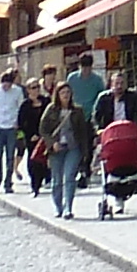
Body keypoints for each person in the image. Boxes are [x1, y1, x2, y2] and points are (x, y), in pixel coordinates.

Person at [94, 101, 137, 217]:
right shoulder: (105, 99)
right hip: (130, 164)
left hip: (117, 164)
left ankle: (111, 204)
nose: (119, 85)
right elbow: (97, 116)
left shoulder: (132, 98)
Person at [49, 80, 88, 218]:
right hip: (57, 149)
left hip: (73, 147)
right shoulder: (51, 110)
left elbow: (83, 132)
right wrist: (52, 142)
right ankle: (58, 207)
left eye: (68, 92)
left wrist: (85, 152)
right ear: (57, 95)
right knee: (57, 180)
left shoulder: (77, 110)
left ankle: (68, 208)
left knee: (70, 177)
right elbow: (43, 129)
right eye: (62, 93)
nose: (65, 95)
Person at [0, 67, 27, 191]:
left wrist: (17, 122)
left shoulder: (17, 91)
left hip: (11, 126)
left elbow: (21, 107)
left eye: (9, 85)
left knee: (10, 155)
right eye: (5, 85)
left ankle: (8, 182)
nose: (6, 88)